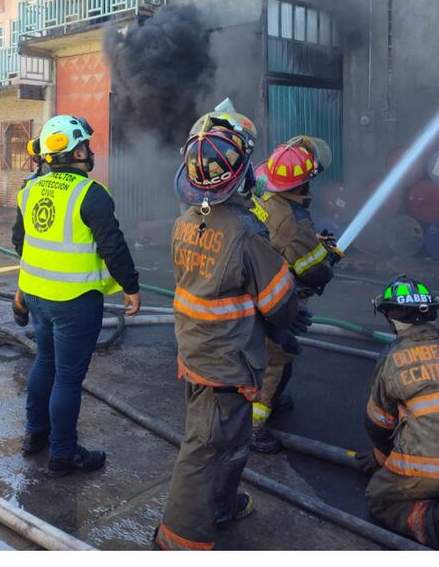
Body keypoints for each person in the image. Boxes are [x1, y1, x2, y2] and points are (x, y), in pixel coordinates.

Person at [154, 110, 307, 550]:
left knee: (227, 441)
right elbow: (279, 301)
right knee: (204, 450)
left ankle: (221, 504)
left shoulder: (185, 222)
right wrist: (287, 324)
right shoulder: (246, 233)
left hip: (197, 350)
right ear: (241, 178)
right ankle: (178, 537)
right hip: (227, 361)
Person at [10, 114, 141, 478]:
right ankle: (63, 454)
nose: (90, 150)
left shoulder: (31, 190)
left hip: (37, 295)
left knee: (44, 363)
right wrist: (130, 286)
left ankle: (35, 436)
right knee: (68, 378)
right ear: (75, 150)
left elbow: (20, 242)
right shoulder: (90, 193)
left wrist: (24, 287)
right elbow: (113, 246)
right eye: (85, 144)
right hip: (75, 301)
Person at [246, 137, 335, 452]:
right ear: (303, 182)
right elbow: (313, 270)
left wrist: (313, 241)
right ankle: (254, 426)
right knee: (276, 360)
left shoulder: (260, 190)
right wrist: (327, 257)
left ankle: (271, 400)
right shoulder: (292, 221)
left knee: (270, 351)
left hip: (252, 285)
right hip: (276, 296)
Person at [356, 274, 439, 549]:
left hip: (434, 467)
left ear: (390, 317)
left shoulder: (392, 357)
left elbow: (378, 423)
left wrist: (381, 457)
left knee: (380, 497)